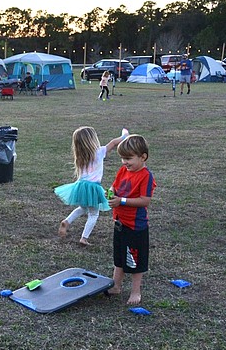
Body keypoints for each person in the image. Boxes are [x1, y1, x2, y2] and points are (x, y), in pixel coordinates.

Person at [56, 127, 129, 246]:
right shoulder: (99, 152)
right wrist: (124, 136)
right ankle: (84, 238)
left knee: (83, 208)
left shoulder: (80, 156)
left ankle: (66, 221)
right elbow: (114, 143)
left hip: (81, 187)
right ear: (92, 140)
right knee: (94, 213)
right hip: (93, 188)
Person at [107, 135, 156, 306]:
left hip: (136, 227)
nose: (124, 162)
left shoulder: (146, 176)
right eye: (122, 158)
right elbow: (115, 185)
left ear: (143, 157)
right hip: (120, 223)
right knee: (119, 257)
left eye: (128, 158)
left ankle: (136, 291)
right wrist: (111, 191)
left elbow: (145, 200)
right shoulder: (123, 171)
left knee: (135, 260)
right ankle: (116, 286)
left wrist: (122, 201)